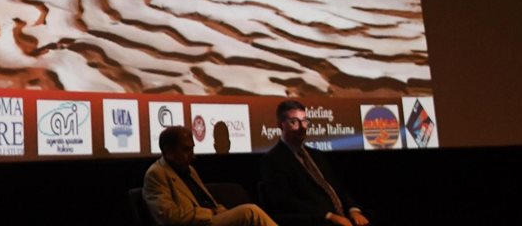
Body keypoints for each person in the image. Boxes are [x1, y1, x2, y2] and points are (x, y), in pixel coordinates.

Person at [260, 100, 369, 226]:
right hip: (317, 221)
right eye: (294, 122)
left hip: (346, 219)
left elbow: (335, 188)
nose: (302, 127)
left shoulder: (316, 155)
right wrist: (328, 216)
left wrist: (353, 210)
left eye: (305, 121)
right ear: (280, 125)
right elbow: (286, 202)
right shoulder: (273, 160)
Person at [144, 126, 278, 226]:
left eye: (192, 149)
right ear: (168, 151)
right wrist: (209, 213)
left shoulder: (189, 170)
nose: (192, 155)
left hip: (211, 219)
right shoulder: (156, 173)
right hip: (201, 222)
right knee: (250, 212)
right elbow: (168, 216)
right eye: (186, 150)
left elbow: (207, 200)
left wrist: (220, 210)